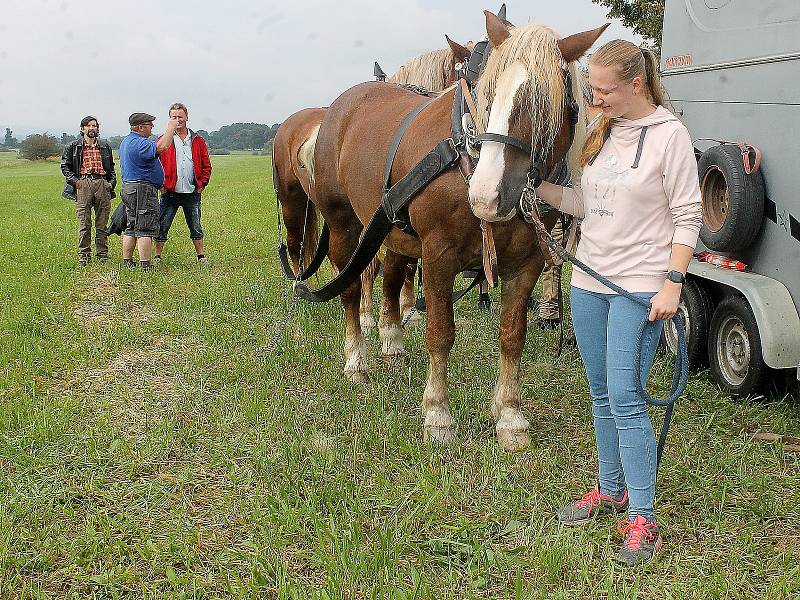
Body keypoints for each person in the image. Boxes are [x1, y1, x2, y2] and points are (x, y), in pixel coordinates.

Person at [533, 40, 702, 567]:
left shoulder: (669, 135)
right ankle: (612, 489)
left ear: (636, 83)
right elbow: (591, 203)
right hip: (589, 281)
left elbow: (688, 214)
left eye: (603, 90)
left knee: (627, 397)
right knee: (601, 393)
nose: (595, 98)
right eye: (591, 89)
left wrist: (673, 282)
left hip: (640, 287)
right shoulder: (602, 133)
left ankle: (643, 517)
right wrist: (537, 190)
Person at [155, 103, 212, 265]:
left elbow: (206, 164)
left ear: (186, 117)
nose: (177, 120)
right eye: (174, 117)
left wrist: (202, 184)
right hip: (170, 192)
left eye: (180, 117)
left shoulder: (197, 140)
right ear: (169, 119)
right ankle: (158, 256)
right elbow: (155, 164)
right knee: (162, 224)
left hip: (192, 192)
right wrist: (162, 185)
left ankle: (201, 256)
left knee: (195, 224)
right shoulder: (163, 140)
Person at [119, 112, 177, 270]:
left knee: (131, 225)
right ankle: (145, 265)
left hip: (130, 188)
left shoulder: (126, 141)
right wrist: (171, 127)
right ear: (140, 127)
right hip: (143, 189)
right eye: (150, 124)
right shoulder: (140, 143)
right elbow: (162, 146)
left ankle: (128, 261)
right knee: (145, 226)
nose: (152, 126)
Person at [60, 116, 117, 266]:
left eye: (94, 126)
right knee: (84, 223)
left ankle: (102, 256)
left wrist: (110, 184)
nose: (91, 128)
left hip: (102, 183)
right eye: (88, 125)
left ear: (97, 129)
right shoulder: (73, 146)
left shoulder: (104, 146)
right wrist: (75, 182)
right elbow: (65, 166)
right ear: (82, 129)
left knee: (102, 223)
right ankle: (84, 256)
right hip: (83, 183)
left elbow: (111, 168)